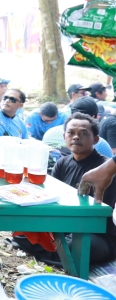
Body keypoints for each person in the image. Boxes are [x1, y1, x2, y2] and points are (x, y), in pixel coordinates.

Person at [14, 113, 116, 266]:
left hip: (96, 233)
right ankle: (60, 256)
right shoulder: (62, 162)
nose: (76, 137)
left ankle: (55, 255)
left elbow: (99, 216)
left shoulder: (105, 170)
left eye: (83, 133)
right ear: (64, 136)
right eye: (71, 133)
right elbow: (52, 198)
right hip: (63, 226)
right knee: (20, 230)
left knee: (80, 245)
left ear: (95, 139)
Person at [42, 97, 113, 157]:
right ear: (94, 117)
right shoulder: (97, 142)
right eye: (70, 133)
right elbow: (112, 170)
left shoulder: (49, 133)